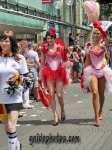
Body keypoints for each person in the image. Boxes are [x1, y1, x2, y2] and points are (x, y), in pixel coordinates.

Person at [0, 31, 28, 149]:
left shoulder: (19, 58)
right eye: (2, 40)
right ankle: (17, 146)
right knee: (8, 129)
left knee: (11, 127)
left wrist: (17, 80)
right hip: (1, 100)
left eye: (6, 41)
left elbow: (28, 79)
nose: (3, 43)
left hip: (15, 98)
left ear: (11, 42)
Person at [39, 28, 71, 126]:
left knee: (59, 94)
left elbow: (65, 59)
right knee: (51, 94)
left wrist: (66, 54)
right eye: (47, 38)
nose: (49, 40)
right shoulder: (44, 48)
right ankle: (55, 115)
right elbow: (43, 62)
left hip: (59, 71)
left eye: (51, 38)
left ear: (54, 38)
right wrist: (40, 76)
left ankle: (62, 110)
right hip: (48, 72)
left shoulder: (60, 47)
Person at [81, 22, 110, 127]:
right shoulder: (89, 45)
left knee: (101, 94)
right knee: (95, 93)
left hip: (102, 70)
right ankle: (96, 116)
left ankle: (101, 110)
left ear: (101, 34)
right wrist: (83, 73)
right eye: (95, 33)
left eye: (98, 33)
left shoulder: (103, 44)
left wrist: (101, 29)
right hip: (92, 71)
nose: (96, 35)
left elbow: (108, 40)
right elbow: (87, 60)